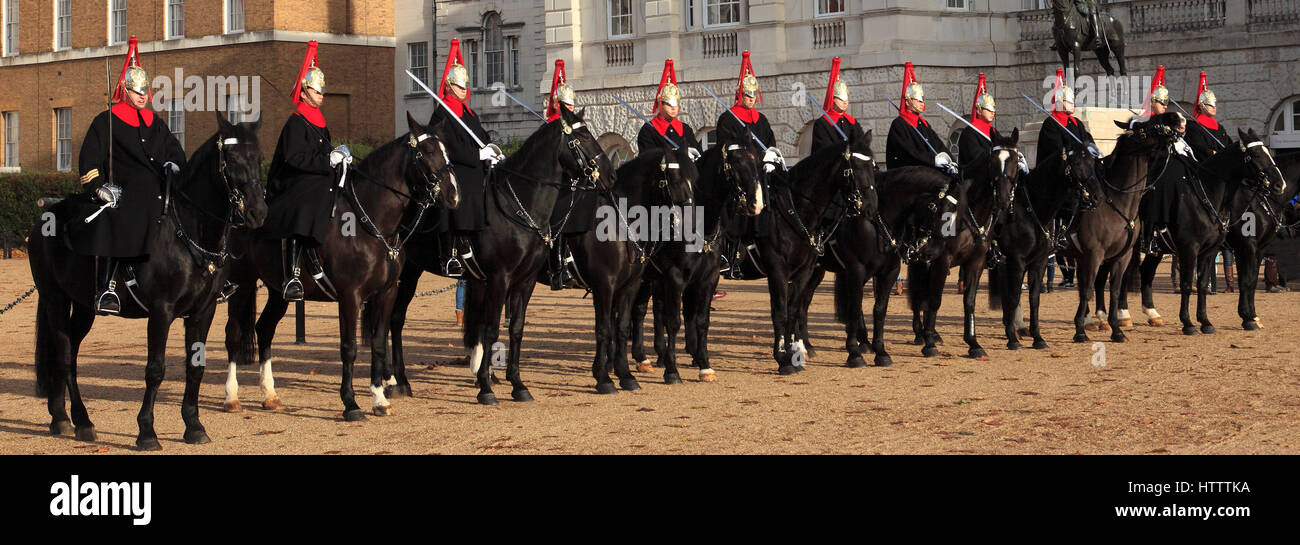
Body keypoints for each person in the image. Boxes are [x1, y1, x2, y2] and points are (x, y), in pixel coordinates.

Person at [71, 36, 186, 314]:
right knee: (124, 216)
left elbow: (176, 151)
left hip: (160, 189)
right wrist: (99, 187)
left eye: (145, 90)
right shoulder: (106, 121)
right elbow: (90, 159)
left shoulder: (154, 122)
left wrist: (174, 164)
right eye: (136, 90)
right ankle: (108, 286)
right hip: (123, 191)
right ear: (124, 90)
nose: (142, 95)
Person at [263, 41, 350, 301]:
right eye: (316, 90)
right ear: (304, 92)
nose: (322, 94)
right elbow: (294, 157)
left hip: (317, 177)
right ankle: (293, 273)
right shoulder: (295, 122)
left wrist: (339, 157)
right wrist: (327, 161)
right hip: (293, 182)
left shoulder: (318, 122)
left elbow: (322, 152)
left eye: (322, 90)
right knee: (306, 202)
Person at [433, 39, 503, 278]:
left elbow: (482, 136)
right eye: (460, 87)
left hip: (475, 170)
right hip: (455, 170)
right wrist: (477, 154)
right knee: (457, 193)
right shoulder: (442, 112)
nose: (465, 90)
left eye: (466, 86)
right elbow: (447, 147)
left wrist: (491, 150)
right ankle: (451, 254)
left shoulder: (469, 112)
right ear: (450, 86)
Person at [715, 51, 784, 173]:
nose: (752, 98)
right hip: (742, 171)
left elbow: (770, 142)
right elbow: (725, 149)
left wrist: (770, 159)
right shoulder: (728, 119)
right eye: (747, 94)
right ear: (740, 94)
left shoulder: (761, 119)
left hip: (763, 168)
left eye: (754, 94)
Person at [886, 62, 954, 174]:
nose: (922, 103)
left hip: (926, 171)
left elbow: (938, 144)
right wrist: (933, 161)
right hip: (907, 174)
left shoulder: (923, 124)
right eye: (918, 100)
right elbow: (909, 152)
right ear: (907, 102)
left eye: (922, 100)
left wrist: (950, 160)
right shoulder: (899, 124)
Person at [637, 60, 701, 155]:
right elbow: (648, 157)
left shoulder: (685, 129)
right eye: (669, 104)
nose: (673, 108)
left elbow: (698, 153)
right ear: (660, 105)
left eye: (676, 104)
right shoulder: (648, 130)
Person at [810, 57, 856, 155]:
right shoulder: (822, 123)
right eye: (841, 99)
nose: (845, 102)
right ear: (833, 100)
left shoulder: (851, 121)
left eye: (847, 99)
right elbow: (823, 149)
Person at [1185, 72, 1233, 161]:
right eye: (1210, 105)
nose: (1214, 107)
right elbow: (1198, 150)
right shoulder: (1193, 127)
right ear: (1202, 106)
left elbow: (1229, 145)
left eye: (1215, 104)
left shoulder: (1220, 128)